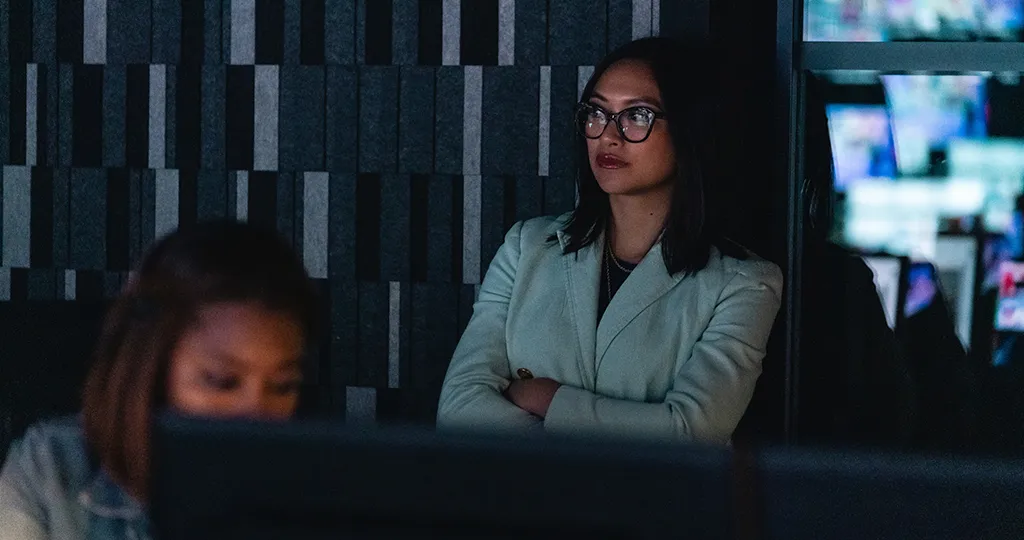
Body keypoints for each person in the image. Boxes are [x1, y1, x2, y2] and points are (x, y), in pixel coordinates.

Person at [436, 38, 784, 444]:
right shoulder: (526, 246)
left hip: (652, 508)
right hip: (523, 503)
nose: (608, 135)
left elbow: (690, 431)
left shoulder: (743, 282)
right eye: (597, 113)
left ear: (691, 132)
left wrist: (549, 399)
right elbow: (458, 408)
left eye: (637, 115)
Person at [0, 220, 319, 539]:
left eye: (283, 385)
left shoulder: (320, 495)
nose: (256, 415)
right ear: (152, 370)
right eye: (222, 381)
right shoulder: (51, 467)